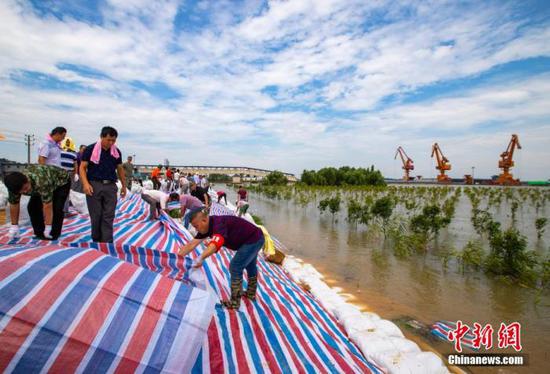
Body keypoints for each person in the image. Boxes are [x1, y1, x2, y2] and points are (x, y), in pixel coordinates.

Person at [178, 208, 264, 309]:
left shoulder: (218, 224)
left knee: (235, 266)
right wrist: (176, 258)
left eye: (196, 226)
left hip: (254, 239)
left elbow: (215, 244)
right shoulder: (205, 228)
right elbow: (191, 244)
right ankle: (251, 293)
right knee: (250, 265)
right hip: (253, 238)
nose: (196, 229)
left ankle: (235, 303)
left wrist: (200, 258)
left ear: (204, 220)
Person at [79, 126, 126, 243]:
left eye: (113, 141)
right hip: (94, 185)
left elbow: (120, 169)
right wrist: (85, 184)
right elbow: (82, 167)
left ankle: (107, 242)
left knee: (108, 215)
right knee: (96, 215)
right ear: (101, 137)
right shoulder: (90, 149)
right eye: (108, 140)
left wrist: (124, 186)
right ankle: (97, 240)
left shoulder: (116, 152)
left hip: (110, 186)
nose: (111, 143)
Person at [5, 164, 71, 240]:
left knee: (56, 207)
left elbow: (47, 205)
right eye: (22, 191)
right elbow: (14, 204)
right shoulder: (13, 187)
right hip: (42, 184)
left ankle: (53, 234)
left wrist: (48, 226)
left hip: (61, 182)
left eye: (26, 188)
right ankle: (39, 233)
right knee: (32, 207)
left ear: (27, 180)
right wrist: (14, 225)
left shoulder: (40, 180)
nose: (25, 191)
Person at [37, 126, 68, 233]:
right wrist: (45, 177)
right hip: (49, 177)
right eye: (63, 136)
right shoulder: (46, 144)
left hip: (57, 177)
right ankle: (47, 229)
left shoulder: (55, 145)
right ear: (58, 134)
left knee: (58, 206)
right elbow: (41, 160)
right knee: (48, 204)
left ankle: (54, 230)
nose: (63, 139)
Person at [59, 137, 78, 215]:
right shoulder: (74, 154)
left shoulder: (59, 152)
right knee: (65, 192)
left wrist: (75, 173)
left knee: (60, 192)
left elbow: (75, 165)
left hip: (61, 173)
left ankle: (62, 210)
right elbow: (75, 165)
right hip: (66, 173)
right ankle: (64, 211)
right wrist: (75, 173)